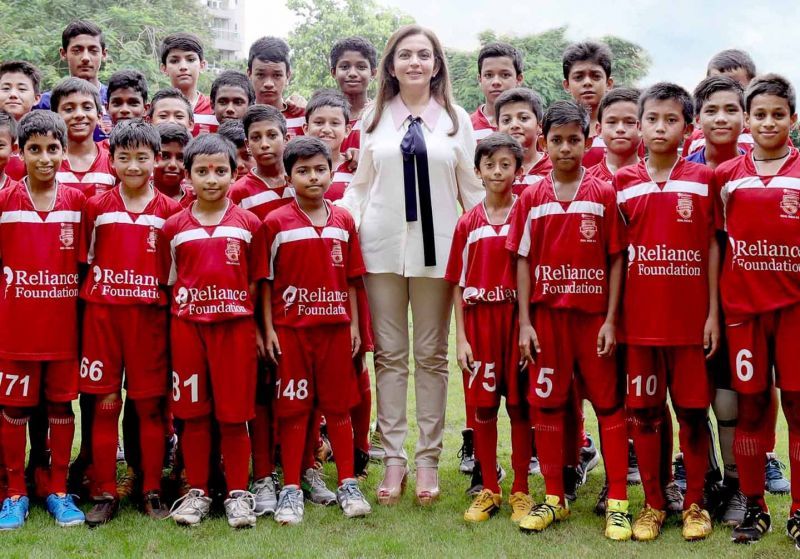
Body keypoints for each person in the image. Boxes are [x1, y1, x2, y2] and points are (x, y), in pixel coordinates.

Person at [338, 24, 484, 506]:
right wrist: (347, 223)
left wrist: (488, 234)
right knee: (390, 357)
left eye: (424, 54)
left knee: (432, 357)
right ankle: (393, 456)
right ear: (392, 65)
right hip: (380, 247)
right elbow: (360, 184)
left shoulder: (455, 119)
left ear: (437, 63)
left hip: (437, 252)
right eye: (406, 55)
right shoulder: (374, 117)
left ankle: (427, 460)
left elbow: (473, 188)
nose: (415, 62)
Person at [507, 101, 631, 540]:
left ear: (588, 141)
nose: (564, 148)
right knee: (547, 403)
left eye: (573, 140)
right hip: (547, 320)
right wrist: (524, 323)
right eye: (555, 141)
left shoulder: (603, 192)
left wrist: (611, 320)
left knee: (608, 404)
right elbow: (521, 260)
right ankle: (554, 497)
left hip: (593, 318)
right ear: (543, 143)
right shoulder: (531, 197)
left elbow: (617, 258)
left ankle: (618, 500)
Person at [615, 82, 718, 542]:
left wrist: (713, 313)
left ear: (687, 127)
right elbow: (613, 258)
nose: (660, 127)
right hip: (640, 326)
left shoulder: (703, 181)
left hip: (691, 324)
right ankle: (655, 503)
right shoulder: (621, 184)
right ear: (639, 125)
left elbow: (715, 248)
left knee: (694, 413)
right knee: (645, 412)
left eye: (671, 119)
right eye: (652, 119)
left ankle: (695, 502)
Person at [262, 136, 372, 524]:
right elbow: (266, 282)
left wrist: (355, 325)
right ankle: (290, 487)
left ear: (331, 171)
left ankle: (347, 483)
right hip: (292, 331)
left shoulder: (343, 220)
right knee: (293, 410)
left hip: (336, 331)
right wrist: (269, 329)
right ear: (288, 177)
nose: (313, 177)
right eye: (303, 171)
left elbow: (353, 280)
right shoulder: (275, 222)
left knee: (339, 407)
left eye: (319, 169)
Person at [78, 120, 181, 525]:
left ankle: (151, 488)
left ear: (156, 160)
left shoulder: (171, 212)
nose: (134, 166)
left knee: (150, 409)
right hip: (103, 318)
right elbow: (84, 262)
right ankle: (104, 490)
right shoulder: (96, 207)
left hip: (149, 321)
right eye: (124, 158)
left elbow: (174, 275)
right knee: (104, 405)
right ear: (113, 161)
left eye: (142, 158)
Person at [713, 74, 800, 548]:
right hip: (743, 312)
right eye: (760, 114)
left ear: (793, 118)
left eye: (778, 114)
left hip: (795, 311)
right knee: (751, 407)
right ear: (748, 120)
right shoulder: (727, 178)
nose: (768, 122)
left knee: (798, 409)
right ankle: (753, 504)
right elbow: (715, 245)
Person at [164, 133, 265, 528]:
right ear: (187, 176)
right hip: (188, 330)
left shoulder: (249, 223)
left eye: (220, 171)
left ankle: (239, 493)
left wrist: (255, 326)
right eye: (202, 171)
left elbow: (256, 281)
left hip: (235, 330)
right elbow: (169, 282)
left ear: (234, 173)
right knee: (193, 416)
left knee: (235, 416)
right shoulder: (173, 226)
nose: (211, 179)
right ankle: (198, 492)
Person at [0, 111, 85, 530]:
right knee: (14, 408)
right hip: (15, 332)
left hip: (63, 332)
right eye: (35, 149)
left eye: (53, 149)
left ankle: (58, 489)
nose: (45, 157)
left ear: (64, 152)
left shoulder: (78, 203)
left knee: (60, 406)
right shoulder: (5, 200)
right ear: (20, 152)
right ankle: (14, 492)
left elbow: (87, 269)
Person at [446, 133, 532, 524]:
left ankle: (521, 490)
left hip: (515, 322)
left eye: (506, 164)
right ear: (478, 171)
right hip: (480, 326)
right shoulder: (468, 223)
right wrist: (461, 338)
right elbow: (458, 285)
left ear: (519, 169)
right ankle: (488, 489)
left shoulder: (526, 214)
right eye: (490, 165)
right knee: (482, 408)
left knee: (518, 407)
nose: (498, 171)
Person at [36, 20, 110, 141]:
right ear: (63, 53)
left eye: (93, 50)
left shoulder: (116, 101)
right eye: (77, 50)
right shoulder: (43, 104)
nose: (85, 58)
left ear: (104, 54)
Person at [50, 77, 115, 197]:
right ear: (55, 116)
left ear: (99, 116)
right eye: (69, 109)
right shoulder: (46, 161)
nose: (79, 114)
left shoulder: (113, 161)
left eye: (87, 108)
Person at [228, 104, 291, 220]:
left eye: (272, 135)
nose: (264, 145)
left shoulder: (300, 181)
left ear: (286, 139)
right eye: (256, 138)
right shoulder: (238, 192)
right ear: (247, 145)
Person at [561, 41, 614, 167]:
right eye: (578, 77)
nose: (587, 83)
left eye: (595, 76)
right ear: (566, 85)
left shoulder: (624, 129)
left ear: (609, 83)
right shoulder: (555, 129)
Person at [495, 87, 551, 195]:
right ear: (498, 128)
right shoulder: (492, 170)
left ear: (539, 126)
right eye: (506, 120)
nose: (514, 125)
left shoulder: (555, 170)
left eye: (523, 118)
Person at [247, 37, 305, 138]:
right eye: (261, 75)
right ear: (249, 74)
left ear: (288, 76)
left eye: (277, 75)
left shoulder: (304, 118)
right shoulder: (239, 116)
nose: (268, 84)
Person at [160, 33, 214, 136]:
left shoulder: (215, 109)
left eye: (190, 59)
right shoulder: (155, 110)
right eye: (174, 61)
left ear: (202, 65)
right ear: (164, 68)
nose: (183, 67)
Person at [329, 37, 378, 152]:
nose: (352, 73)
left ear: (373, 73)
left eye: (361, 67)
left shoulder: (380, 115)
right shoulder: (322, 118)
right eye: (345, 67)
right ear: (333, 72)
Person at [303, 90, 353, 200]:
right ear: (306, 129)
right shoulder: (296, 167)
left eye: (335, 123)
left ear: (347, 130)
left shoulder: (356, 168)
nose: (326, 129)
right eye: (319, 123)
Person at [471, 43, 524, 142]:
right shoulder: (466, 126)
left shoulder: (533, 126)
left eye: (505, 75)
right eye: (488, 75)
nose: (496, 82)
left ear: (519, 79)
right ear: (480, 79)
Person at [0, 61, 42, 181]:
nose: (13, 94)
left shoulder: (44, 137)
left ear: (36, 98)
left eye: (22, 89)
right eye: (6, 88)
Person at [154, 122, 194, 206]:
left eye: (181, 158)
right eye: (164, 156)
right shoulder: (134, 196)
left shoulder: (198, 200)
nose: (173, 165)